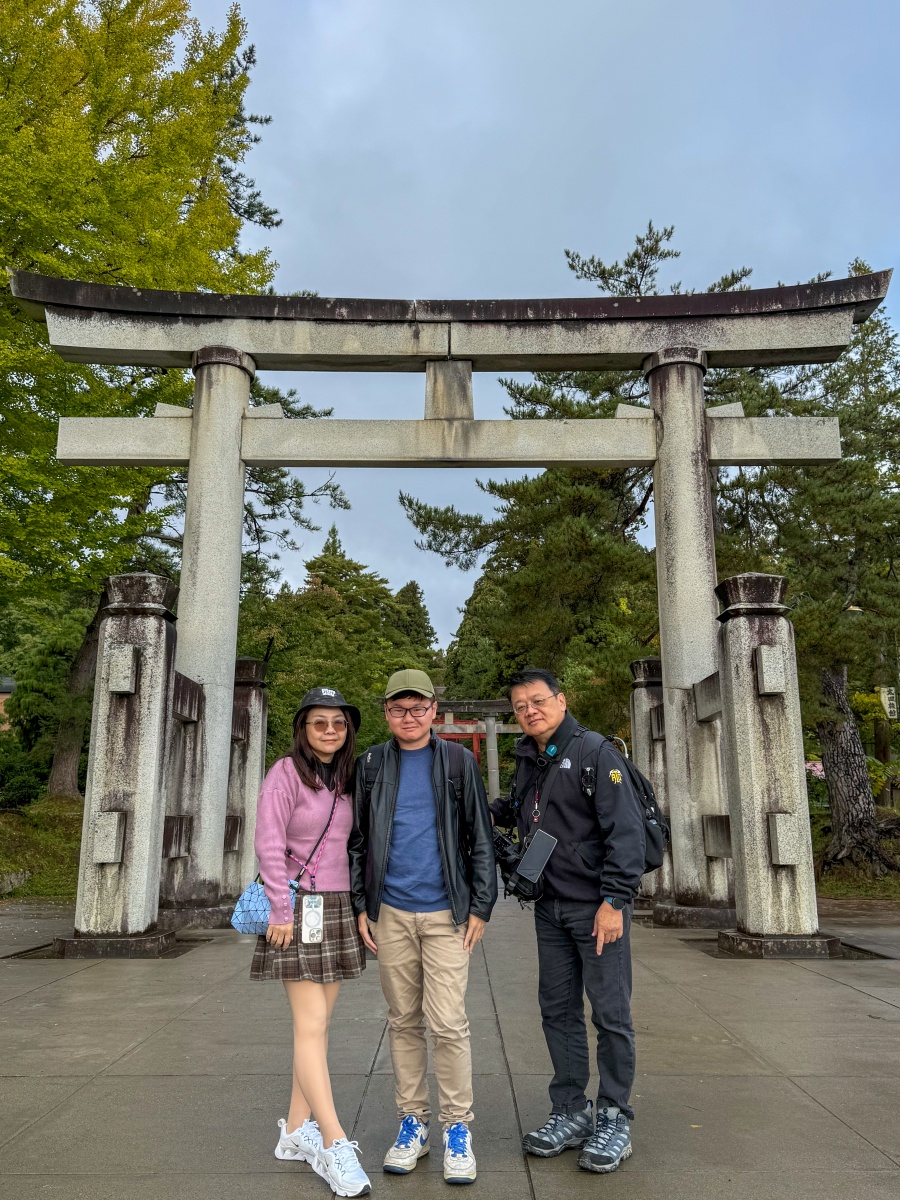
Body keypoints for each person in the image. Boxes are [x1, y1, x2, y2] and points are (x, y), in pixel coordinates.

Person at [489, 667, 645, 1175]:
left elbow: (626, 834)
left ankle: (615, 1114)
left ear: (561, 698)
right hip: (550, 906)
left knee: (610, 1013)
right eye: (520, 707)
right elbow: (520, 813)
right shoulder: (531, 758)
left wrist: (615, 901)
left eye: (537, 700)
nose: (529, 711)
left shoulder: (598, 752)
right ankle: (571, 1110)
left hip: (596, 908)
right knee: (556, 1011)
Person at [349, 668, 497, 1185]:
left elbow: (481, 835)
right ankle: (413, 1122)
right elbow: (359, 840)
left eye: (417, 708)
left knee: (449, 1022)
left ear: (434, 710)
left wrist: (481, 906)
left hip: (446, 913)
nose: (407, 717)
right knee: (402, 1020)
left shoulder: (457, 761)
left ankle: (458, 1127)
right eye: (397, 709)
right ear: (386, 712)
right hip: (389, 911)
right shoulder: (370, 763)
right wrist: (360, 906)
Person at [251, 686, 371, 1198]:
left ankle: (295, 1131)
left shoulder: (349, 778)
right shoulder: (285, 774)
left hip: (337, 906)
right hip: (296, 909)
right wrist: (279, 908)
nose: (329, 731)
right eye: (319, 722)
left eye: (338, 723)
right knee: (310, 1024)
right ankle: (333, 1140)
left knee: (319, 1029)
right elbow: (268, 842)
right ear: (302, 728)